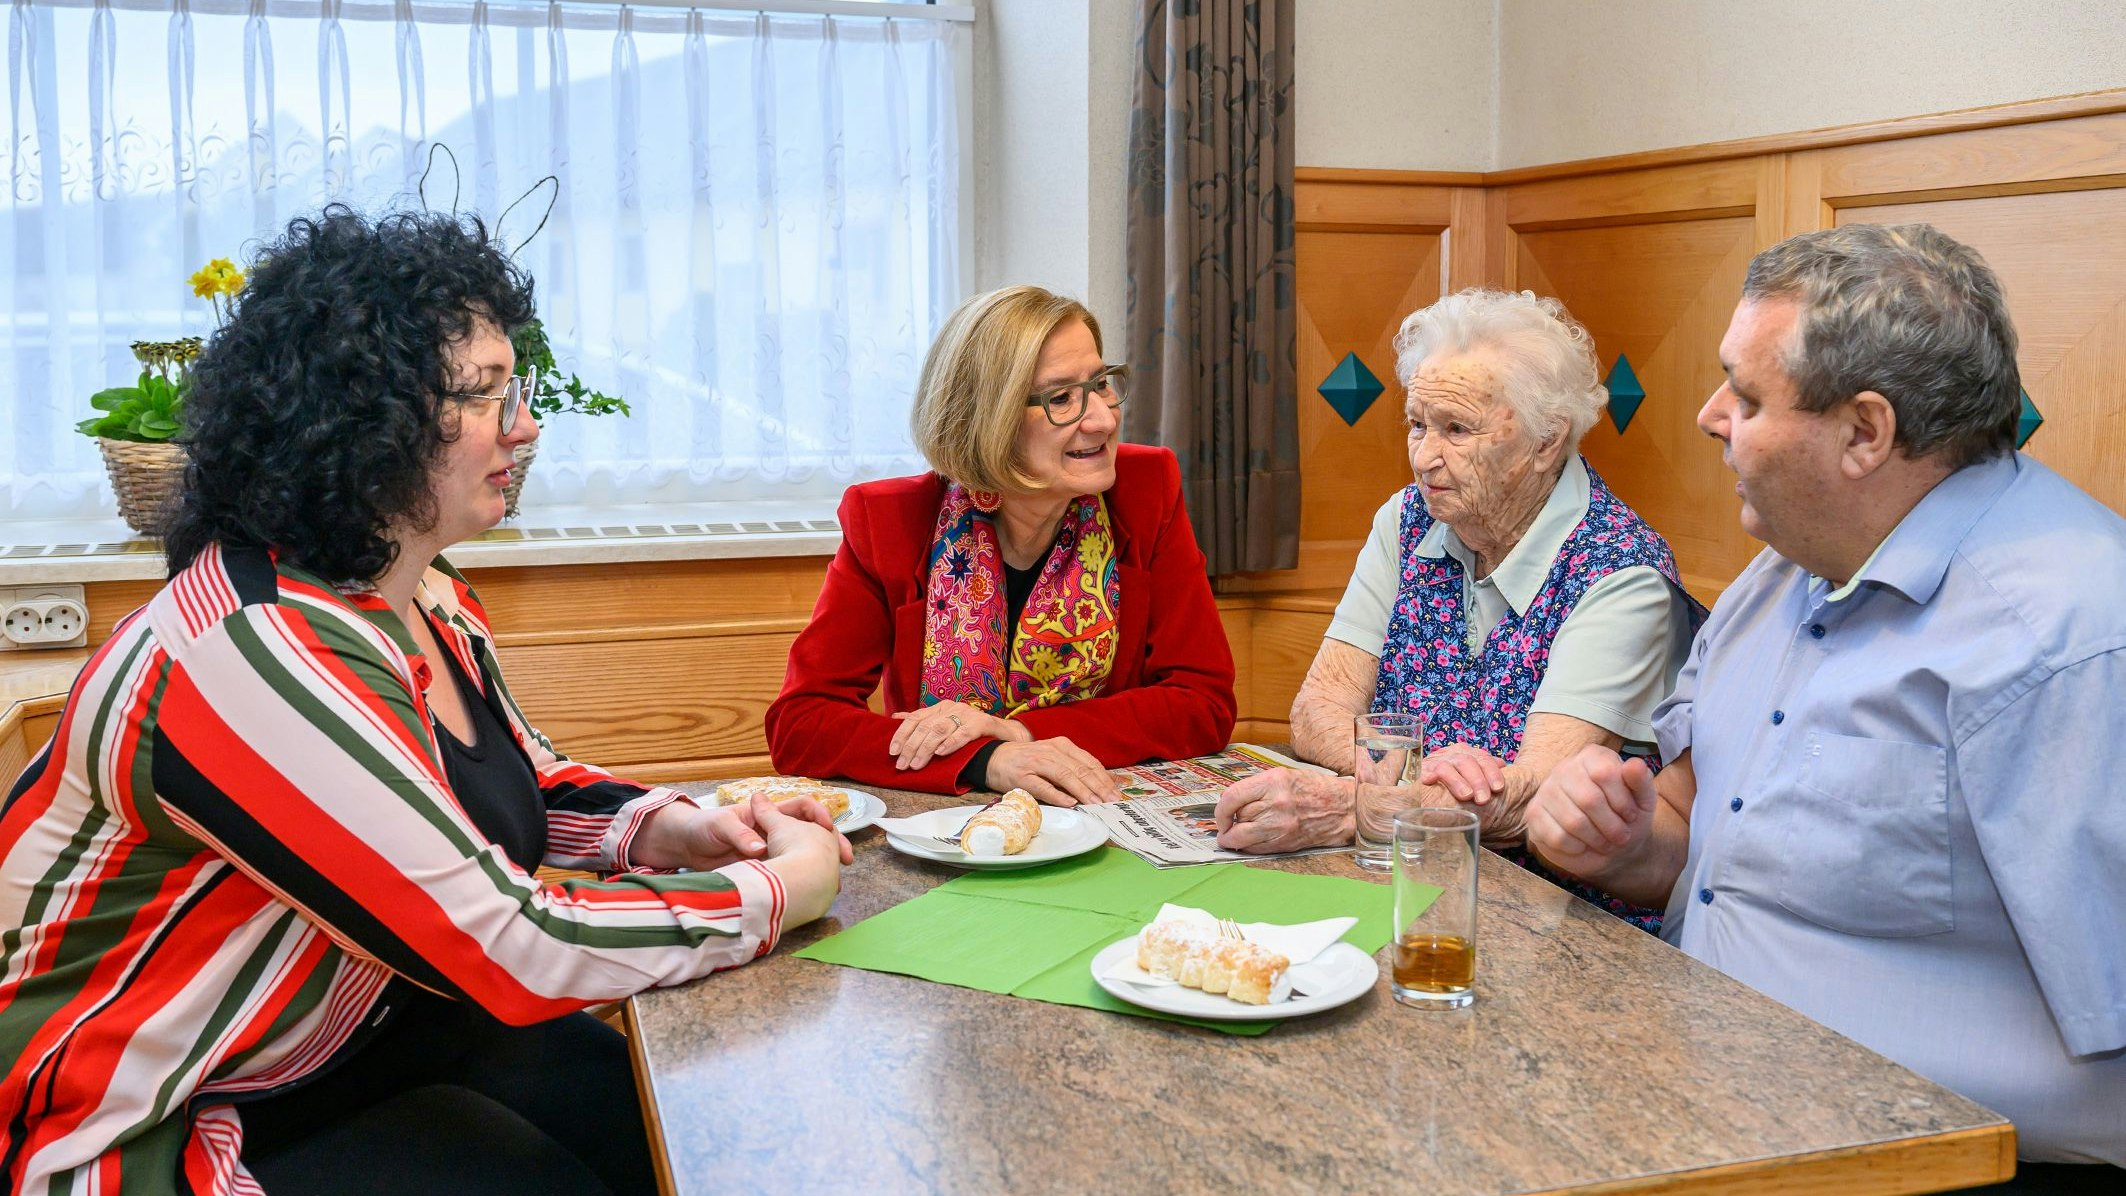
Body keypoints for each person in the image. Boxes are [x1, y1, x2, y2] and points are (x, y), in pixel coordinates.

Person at [0, 208, 848, 1196]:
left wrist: (678, 831)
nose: (524, 425)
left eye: (514, 390)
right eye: (484, 393)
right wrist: (778, 891)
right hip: (153, 1117)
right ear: (363, 420)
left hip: (339, 1038)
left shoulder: (421, 593)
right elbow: (512, 943)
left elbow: (525, 787)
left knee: (686, 1132)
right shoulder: (251, 644)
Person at [1526, 224, 2125, 1184]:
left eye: (1747, 396)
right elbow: (1704, 836)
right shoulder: (1781, 571)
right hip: (1693, 1100)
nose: (1709, 416)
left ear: (1864, 433)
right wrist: (1628, 846)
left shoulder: (2065, 641)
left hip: (1920, 1166)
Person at [1213, 289, 1699, 929]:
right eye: (1418, 424)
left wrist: (1353, 807)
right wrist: (1429, 779)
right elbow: (1317, 710)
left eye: (1457, 429)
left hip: (1552, 918)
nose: (1423, 457)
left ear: (1546, 441)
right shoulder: (1408, 520)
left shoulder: (1622, 573)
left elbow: (1538, 801)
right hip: (1405, 875)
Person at [765, 285, 1236, 804]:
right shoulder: (888, 520)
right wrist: (988, 760)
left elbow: (1203, 702)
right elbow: (801, 724)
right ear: (989, 420)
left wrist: (1019, 732)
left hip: (1094, 806)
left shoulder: (1147, 488)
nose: (1104, 418)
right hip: (944, 816)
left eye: (1100, 384)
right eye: (1061, 398)